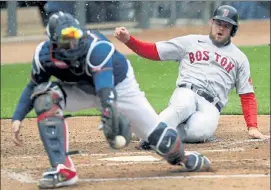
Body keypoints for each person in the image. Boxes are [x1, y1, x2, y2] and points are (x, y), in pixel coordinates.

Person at [11, 12, 211, 189]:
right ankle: (63, 169)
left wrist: (109, 110)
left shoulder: (97, 48)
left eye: (74, 37)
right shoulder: (44, 56)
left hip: (119, 86)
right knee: (45, 98)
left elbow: (105, 87)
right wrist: (18, 117)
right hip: (81, 90)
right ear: (53, 42)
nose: (72, 43)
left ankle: (184, 158)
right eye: (66, 40)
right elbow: (33, 86)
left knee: (163, 142)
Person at [114, 5, 270, 150]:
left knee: (198, 132)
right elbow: (154, 51)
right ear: (212, 22)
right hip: (188, 91)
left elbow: (247, 94)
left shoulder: (239, 58)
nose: (221, 28)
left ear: (233, 30)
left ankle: (147, 128)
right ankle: (151, 136)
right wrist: (129, 40)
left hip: (212, 105)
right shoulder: (191, 41)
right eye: (218, 23)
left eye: (226, 25)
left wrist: (253, 127)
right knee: (182, 107)